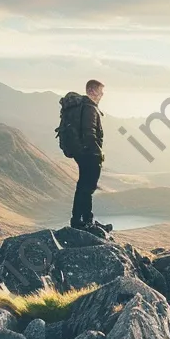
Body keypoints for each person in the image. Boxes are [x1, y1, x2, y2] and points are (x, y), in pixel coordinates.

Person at [65, 79, 107, 231]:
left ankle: (83, 219)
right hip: (89, 154)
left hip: (81, 152)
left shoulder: (85, 107)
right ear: (91, 91)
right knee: (87, 188)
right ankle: (82, 221)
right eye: (100, 91)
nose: (102, 95)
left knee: (83, 186)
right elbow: (90, 133)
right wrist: (98, 153)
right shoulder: (89, 108)